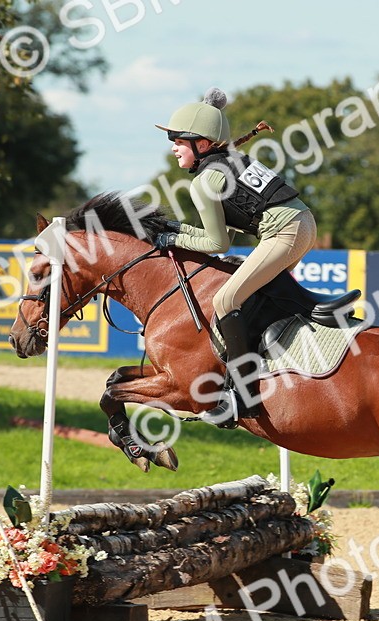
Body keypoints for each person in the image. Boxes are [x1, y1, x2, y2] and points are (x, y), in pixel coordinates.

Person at [153, 87, 317, 428]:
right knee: (256, 300)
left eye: (179, 141)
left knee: (226, 299)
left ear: (201, 143)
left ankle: (242, 399)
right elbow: (224, 236)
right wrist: (176, 230)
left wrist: (170, 235)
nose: (173, 148)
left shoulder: (204, 182)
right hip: (302, 223)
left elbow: (216, 243)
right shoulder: (230, 163)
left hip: (283, 231)